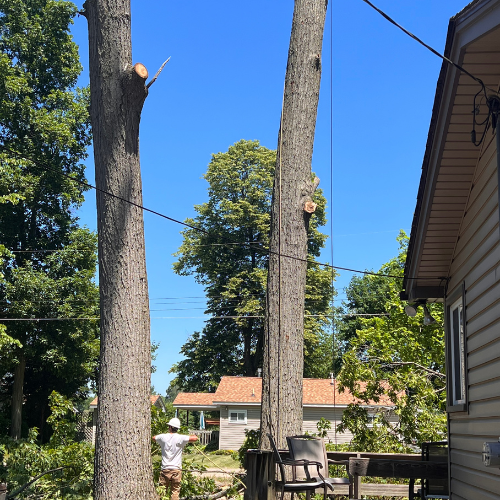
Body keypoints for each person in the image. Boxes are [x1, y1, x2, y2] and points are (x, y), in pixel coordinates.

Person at [152, 417, 198, 500]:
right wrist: (193, 435)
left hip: (165, 469)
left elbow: (154, 438)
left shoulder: (163, 437)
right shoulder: (181, 438)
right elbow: (195, 438)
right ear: (177, 428)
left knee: (162, 490)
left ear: (170, 427)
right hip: (176, 469)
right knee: (175, 491)